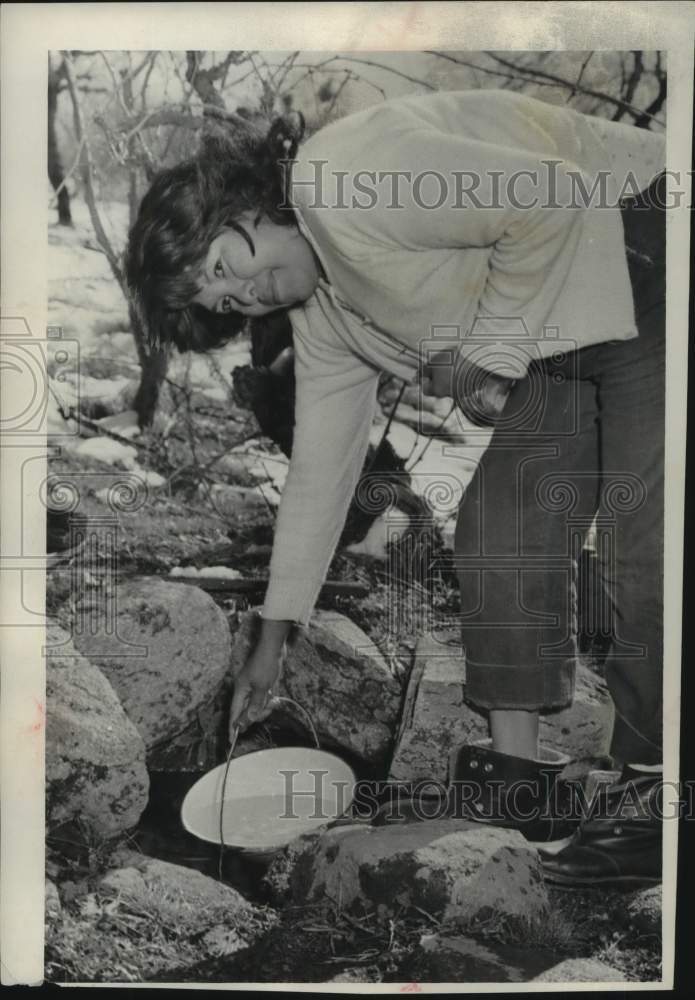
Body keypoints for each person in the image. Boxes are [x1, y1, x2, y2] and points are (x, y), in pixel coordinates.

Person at [125, 88, 666, 886]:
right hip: (568, 329)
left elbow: (551, 194)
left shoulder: (339, 174)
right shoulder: (325, 315)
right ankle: (519, 787)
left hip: (643, 245)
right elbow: (321, 471)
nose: (249, 294)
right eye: (228, 302)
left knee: (646, 539)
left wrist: (483, 356)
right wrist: (272, 638)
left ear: (241, 204)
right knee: (499, 533)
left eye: (223, 264)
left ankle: (655, 795)